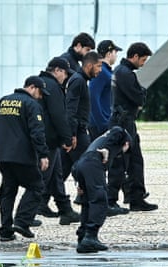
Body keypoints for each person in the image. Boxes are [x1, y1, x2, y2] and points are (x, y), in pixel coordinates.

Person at [0, 75, 50, 241]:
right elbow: (37, 132)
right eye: (40, 92)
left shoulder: (3, 101)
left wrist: (5, 139)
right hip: (22, 156)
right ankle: (22, 221)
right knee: (36, 187)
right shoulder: (31, 104)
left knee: (8, 191)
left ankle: (6, 230)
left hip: (2, 155)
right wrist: (43, 154)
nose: (41, 96)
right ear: (32, 87)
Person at [108, 42, 158, 212]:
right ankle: (111, 199)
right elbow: (139, 97)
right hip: (123, 123)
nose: (143, 64)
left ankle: (136, 197)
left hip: (126, 122)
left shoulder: (123, 72)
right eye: (143, 60)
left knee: (135, 160)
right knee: (121, 162)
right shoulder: (124, 73)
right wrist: (141, 95)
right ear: (135, 56)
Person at [72, 126, 132, 253]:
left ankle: (83, 236)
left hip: (80, 165)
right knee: (100, 200)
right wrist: (107, 150)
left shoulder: (101, 138)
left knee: (87, 202)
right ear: (126, 143)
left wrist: (79, 182)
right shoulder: (119, 135)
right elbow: (117, 135)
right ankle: (90, 236)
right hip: (92, 163)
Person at [37, 57, 80, 225]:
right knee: (44, 177)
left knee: (56, 175)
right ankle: (26, 215)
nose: (66, 78)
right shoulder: (53, 86)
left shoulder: (39, 82)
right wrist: (67, 138)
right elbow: (58, 115)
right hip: (49, 138)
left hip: (42, 136)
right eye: (65, 74)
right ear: (57, 71)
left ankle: (65, 209)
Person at [61, 51, 102, 182]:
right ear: (89, 65)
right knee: (89, 167)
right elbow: (71, 110)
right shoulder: (78, 81)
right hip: (77, 133)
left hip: (77, 131)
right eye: (98, 66)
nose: (100, 70)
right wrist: (72, 135)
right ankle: (91, 201)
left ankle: (40, 200)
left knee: (61, 171)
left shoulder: (80, 80)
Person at [88, 40, 122, 140]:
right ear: (109, 53)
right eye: (115, 52)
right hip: (100, 125)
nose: (116, 55)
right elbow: (93, 97)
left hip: (106, 121)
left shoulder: (106, 71)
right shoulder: (101, 71)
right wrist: (102, 123)